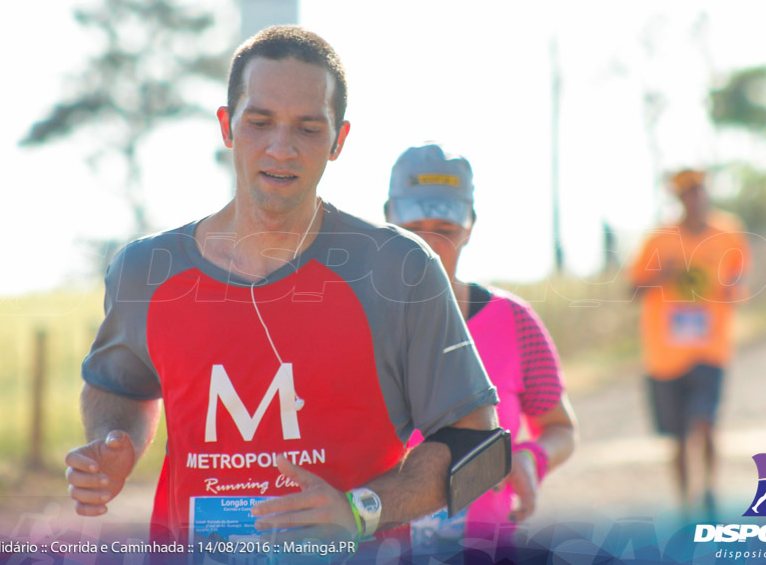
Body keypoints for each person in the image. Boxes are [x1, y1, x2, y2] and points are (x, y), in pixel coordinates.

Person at [63, 27, 501, 548]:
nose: (281, 148)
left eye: (309, 128)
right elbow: (120, 387)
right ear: (228, 126)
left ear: (339, 140)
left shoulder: (399, 269)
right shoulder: (146, 270)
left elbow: (479, 447)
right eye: (260, 121)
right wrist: (112, 445)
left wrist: (361, 508)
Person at [384, 143, 577, 556]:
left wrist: (530, 458)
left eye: (446, 229)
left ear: (470, 225)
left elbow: (561, 428)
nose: (430, 246)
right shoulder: (358, 323)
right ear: (388, 220)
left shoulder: (514, 321)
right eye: (414, 228)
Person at [627, 168, 750, 516]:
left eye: (697, 191)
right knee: (678, 436)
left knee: (705, 422)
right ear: (677, 198)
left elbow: (738, 275)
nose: (693, 198)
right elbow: (632, 289)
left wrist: (731, 286)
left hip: (711, 348)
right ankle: (685, 503)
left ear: (706, 193)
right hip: (664, 354)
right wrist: (660, 276)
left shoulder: (729, 233)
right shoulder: (659, 239)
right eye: (685, 193)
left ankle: (710, 491)